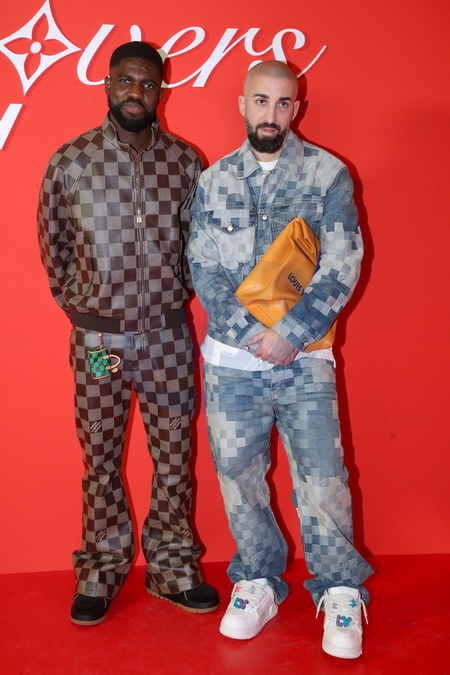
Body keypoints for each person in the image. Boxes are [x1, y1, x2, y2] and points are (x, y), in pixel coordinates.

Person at [187, 60, 374, 659]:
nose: (271, 114)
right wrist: (250, 335)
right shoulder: (213, 180)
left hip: (305, 361)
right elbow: (203, 268)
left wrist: (291, 334)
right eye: (261, 101)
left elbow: (342, 264)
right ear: (243, 105)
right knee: (239, 479)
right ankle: (258, 580)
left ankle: (341, 589)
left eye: (283, 103)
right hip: (231, 364)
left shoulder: (328, 174)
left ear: (297, 108)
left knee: (322, 480)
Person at [37, 41, 219, 626]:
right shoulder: (72, 161)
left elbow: (200, 248)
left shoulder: (185, 162)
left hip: (167, 341)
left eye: (147, 83)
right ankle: (100, 569)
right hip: (102, 347)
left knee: (175, 458)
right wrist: (88, 311)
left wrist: (173, 295)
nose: (135, 93)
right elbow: (53, 248)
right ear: (107, 85)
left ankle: (173, 568)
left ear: (160, 90)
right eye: (125, 81)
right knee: (101, 457)